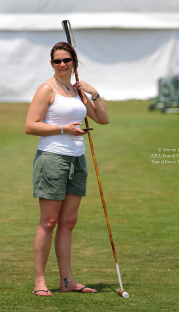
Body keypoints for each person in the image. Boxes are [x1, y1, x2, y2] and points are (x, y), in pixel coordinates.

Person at [25, 42, 109, 296]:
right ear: (51, 64)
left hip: (77, 160)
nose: (62, 64)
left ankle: (67, 281)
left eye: (67, 60)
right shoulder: (46, 89)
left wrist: (93, 93)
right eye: (57, 61)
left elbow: (103, 119)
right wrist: (64, 129)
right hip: (52, 159)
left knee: (68, 222)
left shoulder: (77, 89)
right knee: (49, 221)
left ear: (74, 62)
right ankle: (40, 281)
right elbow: (30, 126)